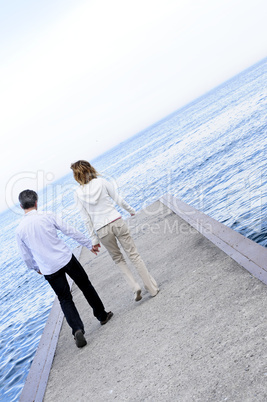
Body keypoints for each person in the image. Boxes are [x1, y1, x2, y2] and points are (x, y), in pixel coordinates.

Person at [16, 189, 113, 348]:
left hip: (49, 268)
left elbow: (25, 256)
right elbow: (70, 231)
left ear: (21, 206)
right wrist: (89, 244)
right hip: (65, 258)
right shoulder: (47, 216)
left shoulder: (20, 230)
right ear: (36, 202)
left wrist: (36, 268)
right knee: (85, 286)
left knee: (65, 299)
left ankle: (77, 329)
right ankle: (102, 315)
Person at [70, 160, 159, 302]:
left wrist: (94, 240)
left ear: (76, 175)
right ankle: (151, 288)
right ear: (90, 169)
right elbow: (119, 200)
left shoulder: (77, 193)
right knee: (134, 255)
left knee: (118, 259)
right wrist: (131, 211)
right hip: (116, 221)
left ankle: (134, 286)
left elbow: (86, 219)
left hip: (102, 230)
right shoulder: (102, 182)